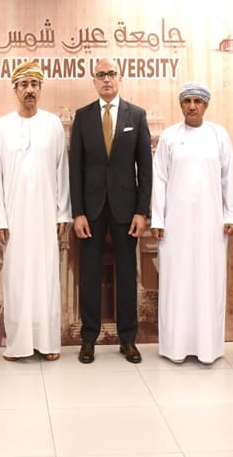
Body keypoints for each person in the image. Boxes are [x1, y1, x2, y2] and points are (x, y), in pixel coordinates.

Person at [151, 82, 233, 364]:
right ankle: (175, 348)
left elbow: (229, 177)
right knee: (176, 283)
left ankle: (208, 348)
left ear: (206, 105)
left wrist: (232, 216)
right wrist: (158, 218)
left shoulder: (219, 135)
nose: (192, 106)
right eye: (187, 101)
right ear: (181, 105)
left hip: (211, 225)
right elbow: (160, 179)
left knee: (208, 282)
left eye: (198, 101)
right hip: (175, 226)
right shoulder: (168, 137)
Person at [69, 57, 152, 364]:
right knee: (89, 274)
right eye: (100, 75)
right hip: (90, 211)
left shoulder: (137, 115)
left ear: (120, 78)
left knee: (127, 274)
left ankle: (128, 339)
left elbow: (145, 168)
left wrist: (142, 211)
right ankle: (88, 338)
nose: (106, 79)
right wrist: (77, 212)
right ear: (94, 81)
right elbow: (74, 169)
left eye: (111, 74)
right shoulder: (83, 116)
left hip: (126, 210)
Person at [0, 60, 71, 361]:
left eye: (34, 85)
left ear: (40, 89)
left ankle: (48, 342)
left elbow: (61, 170)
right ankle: (18, 344)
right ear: (15, 90)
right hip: (14, 218)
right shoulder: (1, 127)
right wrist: (0, 218)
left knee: (46, 277)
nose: (29, 90)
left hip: (45, 215)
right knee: (17, 278)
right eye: (23, 85)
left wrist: (62, 213)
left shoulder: (52, 125)